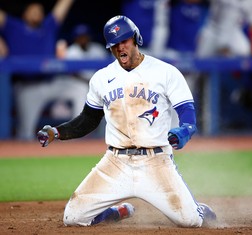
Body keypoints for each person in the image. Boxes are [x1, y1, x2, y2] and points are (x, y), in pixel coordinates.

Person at [36, 15, 217, 227]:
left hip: (155, 162)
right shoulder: (101, 78)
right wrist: (56, 132)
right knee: (73, 218)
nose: (120, 47)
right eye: (114, 44)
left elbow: (186, 110)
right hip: (115, 162)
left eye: (124, 41)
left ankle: (200, 211)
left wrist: (185, 130)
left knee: (190, 221)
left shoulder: (165, 72)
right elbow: (88, 119)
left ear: (136, 38)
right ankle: (116, 213)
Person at [0, 0, 75, 140]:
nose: (37, 13)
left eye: (40, 11)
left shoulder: (48, 27)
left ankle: (78, 138)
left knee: (80, 89)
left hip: (53, 83)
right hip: (28, 87)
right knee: (26, 132)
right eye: (33, 10)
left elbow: (63, 5)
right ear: (24, 14)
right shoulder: (14, 26)